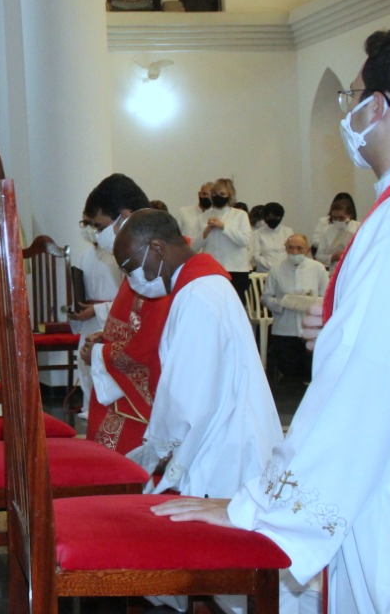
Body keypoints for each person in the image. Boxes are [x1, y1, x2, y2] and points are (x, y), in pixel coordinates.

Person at [154, 22, 390, 614]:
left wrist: (255, 506)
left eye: (353, 97)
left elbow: (358, 391)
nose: (348, 113)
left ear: (382, 106)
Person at [110, 209, 282, 497]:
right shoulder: (204, 286)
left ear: (156, 247)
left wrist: (161, 447)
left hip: (223, 448)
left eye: (130, 267)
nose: (131, 279)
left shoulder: (197, 296)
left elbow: (186, 392)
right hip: (225, 434)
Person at [76, 173, 160, 453]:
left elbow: (154, 342)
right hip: (125, 385)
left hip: (147, 403)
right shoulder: (136, 262)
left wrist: (100, 353)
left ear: (124, 217)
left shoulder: (159, 268)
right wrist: (105, 337)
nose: (96, 234)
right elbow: (134, 322)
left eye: (99, 226)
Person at [67, 215, 122, 420]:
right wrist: (77, 310)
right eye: (85, 224)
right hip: (90, 317)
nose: (89, 228)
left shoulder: (117, 256)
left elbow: (124, 298)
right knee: (85, 363)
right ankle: (90, 408)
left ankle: (106, 414)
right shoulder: (86, 255)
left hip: (108, 317)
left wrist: (97, 309)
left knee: (104, 365)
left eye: (93, 224)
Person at [261, 233, 328, 383]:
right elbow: (265, 298)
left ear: (307, 249)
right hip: (284, 329)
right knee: (289, 375)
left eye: (299, 248)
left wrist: (308, 301)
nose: (295, 252)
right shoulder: (276, 269)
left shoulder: (318, 268)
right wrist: (284, 303)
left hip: (310, 330)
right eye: (291, 248)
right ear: (285, 249)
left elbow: (326, 298)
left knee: (311, 373)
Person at [192, 177, 253, 303]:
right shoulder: (203, 217)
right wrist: (207, 231)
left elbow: (245, 241)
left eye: (222, 194)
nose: (218, 197)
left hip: (236, 269)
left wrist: (224, 227)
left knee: (234, 304)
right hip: (212, 269)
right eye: (214, 194)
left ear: (230, 196)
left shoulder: (240, 215)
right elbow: (193, 247)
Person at [310, 193, 360, 267]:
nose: (338, 220)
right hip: (334, 268)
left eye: (341, 218)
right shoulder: (327, 230)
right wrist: (332, 257)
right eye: (335, 218)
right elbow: (319, 255)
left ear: (349, 215)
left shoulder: (359, 228)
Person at [251, 201, 293, 273]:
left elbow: (291, 252)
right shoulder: (257, 234)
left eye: (276, 217)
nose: (273, 220)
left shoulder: (288, 232)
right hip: (264, 273)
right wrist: (272, 266)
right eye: (269, 217)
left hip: (285, 271)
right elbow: (256, 255)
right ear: (265, 217)